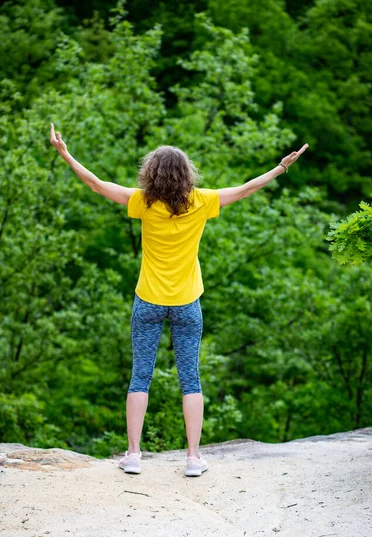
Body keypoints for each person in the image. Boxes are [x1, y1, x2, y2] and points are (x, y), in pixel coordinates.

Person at [50, 122, 308, 477]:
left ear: (150, 174)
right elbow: (247, 189)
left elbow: (96, 183)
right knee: (191, 378)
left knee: (140, 376)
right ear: (187, 174)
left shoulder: (142, 201)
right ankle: (192, 458)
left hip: (148, 301)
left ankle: (134, 455)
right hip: (187, 302)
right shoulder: (202, 202)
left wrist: (65, 153)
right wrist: (281, 167)